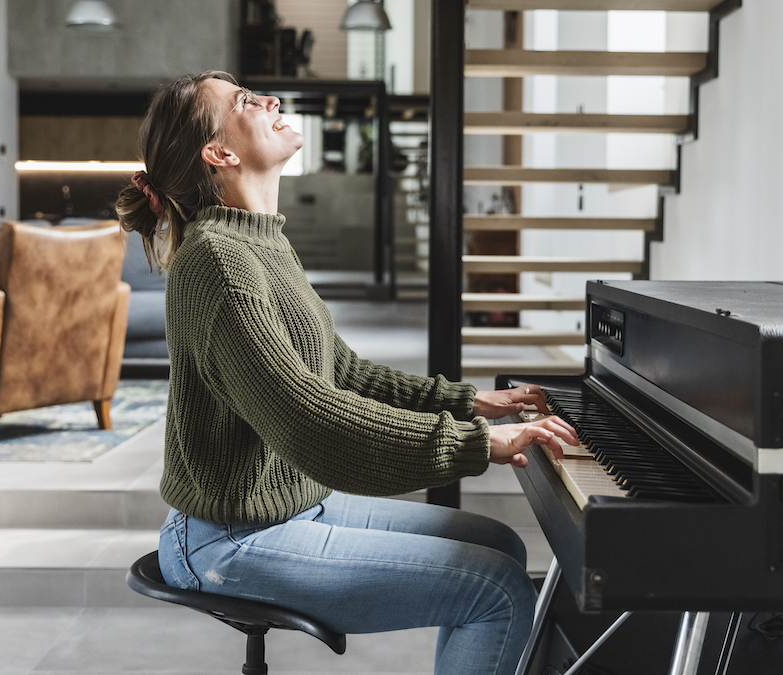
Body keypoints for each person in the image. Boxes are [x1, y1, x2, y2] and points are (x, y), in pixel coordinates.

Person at [114, 71, 579, 675]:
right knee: (495, 590)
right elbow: (308, 423)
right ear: (220, 153)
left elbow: (343, 373)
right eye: (247, 102)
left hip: (290, 509)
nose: (271, 100)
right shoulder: (217, 262)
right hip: (229, 539)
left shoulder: (260, 244)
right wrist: (476, 444)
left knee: (502, 546)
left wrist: (470, 403)